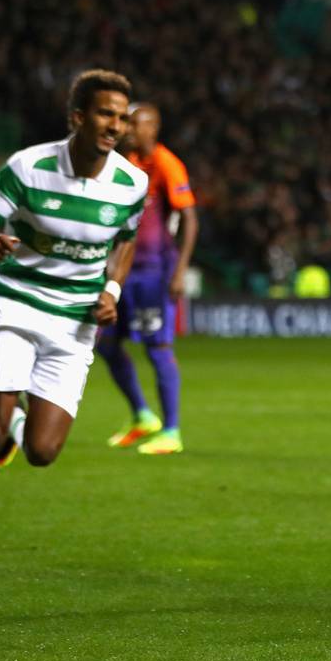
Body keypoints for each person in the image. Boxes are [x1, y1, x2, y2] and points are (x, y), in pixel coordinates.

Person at [0, 69, 147, 572]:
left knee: (43, 451)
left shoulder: (131, 184)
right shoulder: (28, 167)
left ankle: (17, 420)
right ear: (78, 117)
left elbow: (126, 238)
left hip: (74, 324)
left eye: (122, 117)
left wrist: (112, 290)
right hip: (15, 305)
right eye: (105, 114)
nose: (116, 126)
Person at [98, 103, 197, 455]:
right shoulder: (125, 164)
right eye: (126, 122)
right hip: (124, 270)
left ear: (152, 128)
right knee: (106, 344)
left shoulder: (167, 164)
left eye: (134, 123)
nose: (127, 128)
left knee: (157, 348)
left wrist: (180, 270)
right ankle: (142, 415)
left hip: (155, 273)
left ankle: (172, 431)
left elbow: (190, 219)